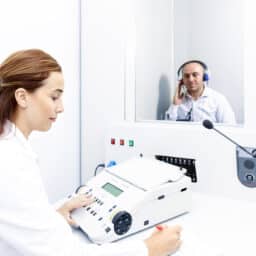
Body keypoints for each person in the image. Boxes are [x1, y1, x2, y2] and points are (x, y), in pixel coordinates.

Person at [0, 49, 182, 256]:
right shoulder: (10, 161)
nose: (60, 108)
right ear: (22, 97)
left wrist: (53, 216)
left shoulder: (12, 148)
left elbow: (18, 223)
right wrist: (148, 249)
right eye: (54, 97)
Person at [165, 60, 236, 124]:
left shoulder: (218, 99)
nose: (190, 79)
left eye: (195, 75)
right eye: (186, 76)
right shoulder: (179, 101)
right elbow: (167, 127)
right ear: (182, 80)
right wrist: (175, 105)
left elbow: (230, 127)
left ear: (204, 77)